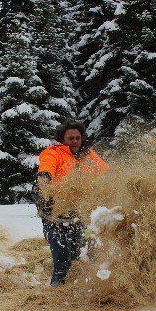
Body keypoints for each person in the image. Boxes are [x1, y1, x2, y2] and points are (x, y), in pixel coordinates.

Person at [33, 119, 109, 287]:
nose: (75, 141)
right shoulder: (54, 152)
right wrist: (45, 178)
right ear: (62, 139)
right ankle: (56, 294)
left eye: (78, 138)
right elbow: (47, 167)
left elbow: (107, 173)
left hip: (80, 216)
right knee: (62, 261)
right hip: (55, 215)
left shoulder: (89, 155)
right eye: (71, 138)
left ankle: (81, 290)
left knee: (83, 256)